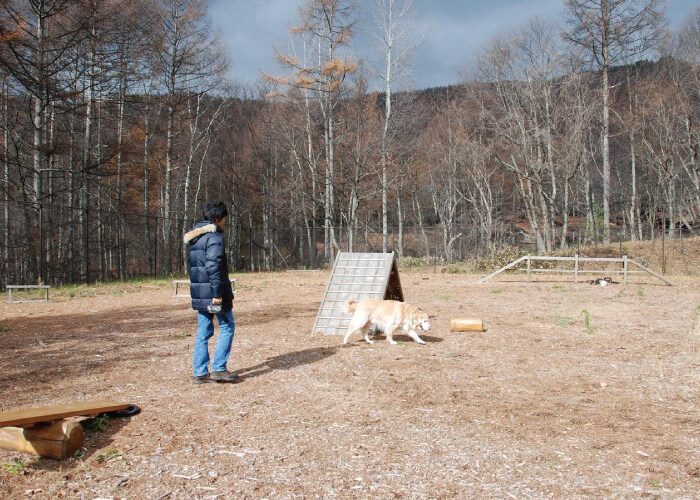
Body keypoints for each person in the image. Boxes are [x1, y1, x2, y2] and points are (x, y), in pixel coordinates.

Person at [183, 201, 239, 384]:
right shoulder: (214, 237)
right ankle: (219, 369)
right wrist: (217, 293)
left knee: (204, 331)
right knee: (227, 326)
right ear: (217, 218)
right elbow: (213, 266)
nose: (224, 223)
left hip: (200, 291)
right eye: (224, 219)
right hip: (213, 292)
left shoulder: (196, 237)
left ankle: (200, 372)